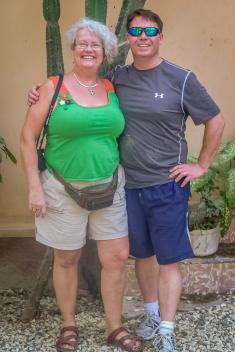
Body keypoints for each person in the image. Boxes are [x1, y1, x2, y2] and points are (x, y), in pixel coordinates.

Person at [27, 9, 225, 352]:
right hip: (96, 186)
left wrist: (201, 166)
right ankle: (98, 322)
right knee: (102, 258)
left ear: (160, 36)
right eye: (136, 30)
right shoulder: (90, 82)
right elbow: (39, 127)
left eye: (150, 30)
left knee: (143, 259)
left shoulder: (149, 80)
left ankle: (143, 327)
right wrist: (38, 95)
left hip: (142, 186)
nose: (143, 36)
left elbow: (215, 120)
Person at [21, 18, 143, 352]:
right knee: (67, 258)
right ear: (73, 50)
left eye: (96, 45)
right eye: (82, 44)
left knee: (116, 257)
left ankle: (115, 327)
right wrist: (34, 187)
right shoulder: (51, 87)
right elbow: (27, 139)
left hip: (110, 185)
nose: (89, 49)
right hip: (63, 188)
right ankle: (68, 325)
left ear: (104, 53)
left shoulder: (111, 87)